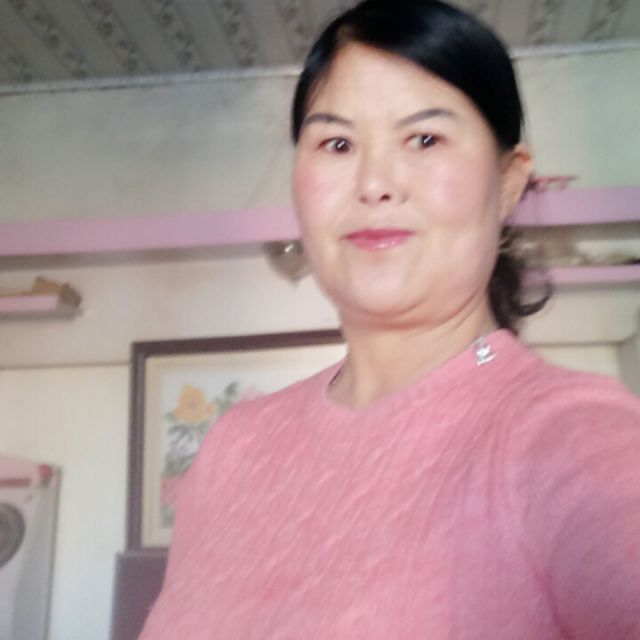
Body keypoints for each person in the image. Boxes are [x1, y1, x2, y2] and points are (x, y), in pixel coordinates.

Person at [140, 1, 640, 638]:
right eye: (337, 143)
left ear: (509, 181)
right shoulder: (231, 450)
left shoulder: (571, 438)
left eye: (425, 139)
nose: (374, 183)